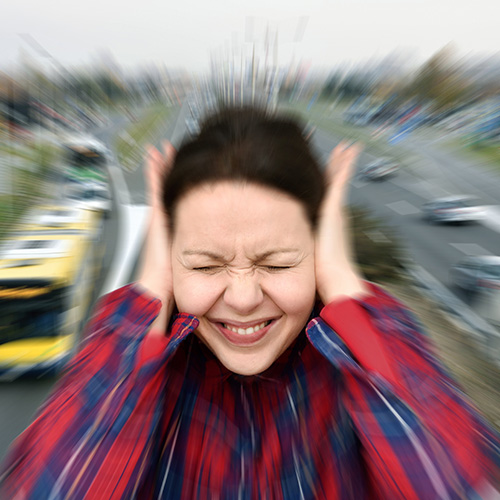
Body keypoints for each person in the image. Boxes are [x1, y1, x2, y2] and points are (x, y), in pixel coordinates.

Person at [1, 107, 499, 499]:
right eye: (204, 266)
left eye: (278, 264)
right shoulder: (143, 377)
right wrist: (149, 292)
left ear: (320, 255)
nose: (241, 299)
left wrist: (346, 288)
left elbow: (462, 482)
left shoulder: (358, 376)